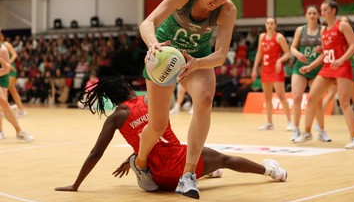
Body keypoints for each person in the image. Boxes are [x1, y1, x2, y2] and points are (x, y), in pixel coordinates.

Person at [54, 78, 287, 195]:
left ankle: (141, 163)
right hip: (181, 167)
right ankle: (272, 171)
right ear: (129, 89)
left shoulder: (115, 117)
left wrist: (76, 185)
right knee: (222, 158)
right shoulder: (150, 100)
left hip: (157, 179)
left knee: (151, 154)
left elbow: (96, 153)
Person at [137, 0, 237, 199]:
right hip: (164, 54)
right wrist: (153, 45)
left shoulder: (227, 10)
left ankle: (188, 175)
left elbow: (221, 55)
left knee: (204, 100)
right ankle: (139, 163)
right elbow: (148, 22)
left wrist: (197, 64)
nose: (218, 2)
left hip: (196, 59)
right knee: (158, 124)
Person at [294, 1, 354, 149]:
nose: (322, 13)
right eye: (321, 10)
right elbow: (325, 53)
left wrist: (342, 59)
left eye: (325, 10)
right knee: (312, 98)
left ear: (334, 10)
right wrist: (310, 66)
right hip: (328, 67)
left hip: (342, 66)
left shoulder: (342, 25)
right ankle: (307, 132)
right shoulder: (324, 31)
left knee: (344, 102)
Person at [322, 16, 354, 131]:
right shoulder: (334, 33)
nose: (343, 23)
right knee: (330, 95)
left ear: (349, 24)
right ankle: (319, 122)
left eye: (346, 21)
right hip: (334, 67)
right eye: (341, 21)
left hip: (348, 67)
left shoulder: (352, 36)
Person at [290, 5, 329, 141]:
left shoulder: (323, 30)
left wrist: (312, 66)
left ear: (317, 15)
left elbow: (325, 52)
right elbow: (292, 48)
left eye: (314, 13)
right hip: (300, 68)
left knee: (317, 101)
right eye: (309, 13)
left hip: (317, 68)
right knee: (296, 98)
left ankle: (321, 131)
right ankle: (295, 129)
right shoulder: (300, 30)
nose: (312, 15)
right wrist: (298, 54)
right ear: (306, 15)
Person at [251, 18, 292, 131]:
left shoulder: (279, 37)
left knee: (281, 95)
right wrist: (254, 69)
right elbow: (259, 53)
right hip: (265, 70)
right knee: (267, 97)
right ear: (265, 25)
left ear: (275, 25)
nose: (269, 25)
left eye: (272, 23)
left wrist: (280, 60)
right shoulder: (261, 37)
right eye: (268, 23)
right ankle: (269, 123)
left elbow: (288, 53)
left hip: (276, 70)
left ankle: (290, 122)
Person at [0, 41, 34, 142]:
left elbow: (6, 70)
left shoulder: (3, 48)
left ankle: (19, 132)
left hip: (3, 76)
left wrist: (4, 63)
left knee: (3, 101)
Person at [0, 30, 27, 118]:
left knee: (5, 89)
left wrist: (8, 63)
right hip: (5, 68)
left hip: (9, 69)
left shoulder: (6, 44)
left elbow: (15, 54)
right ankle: (21, 109)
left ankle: (7, 109)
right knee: (12, 90)